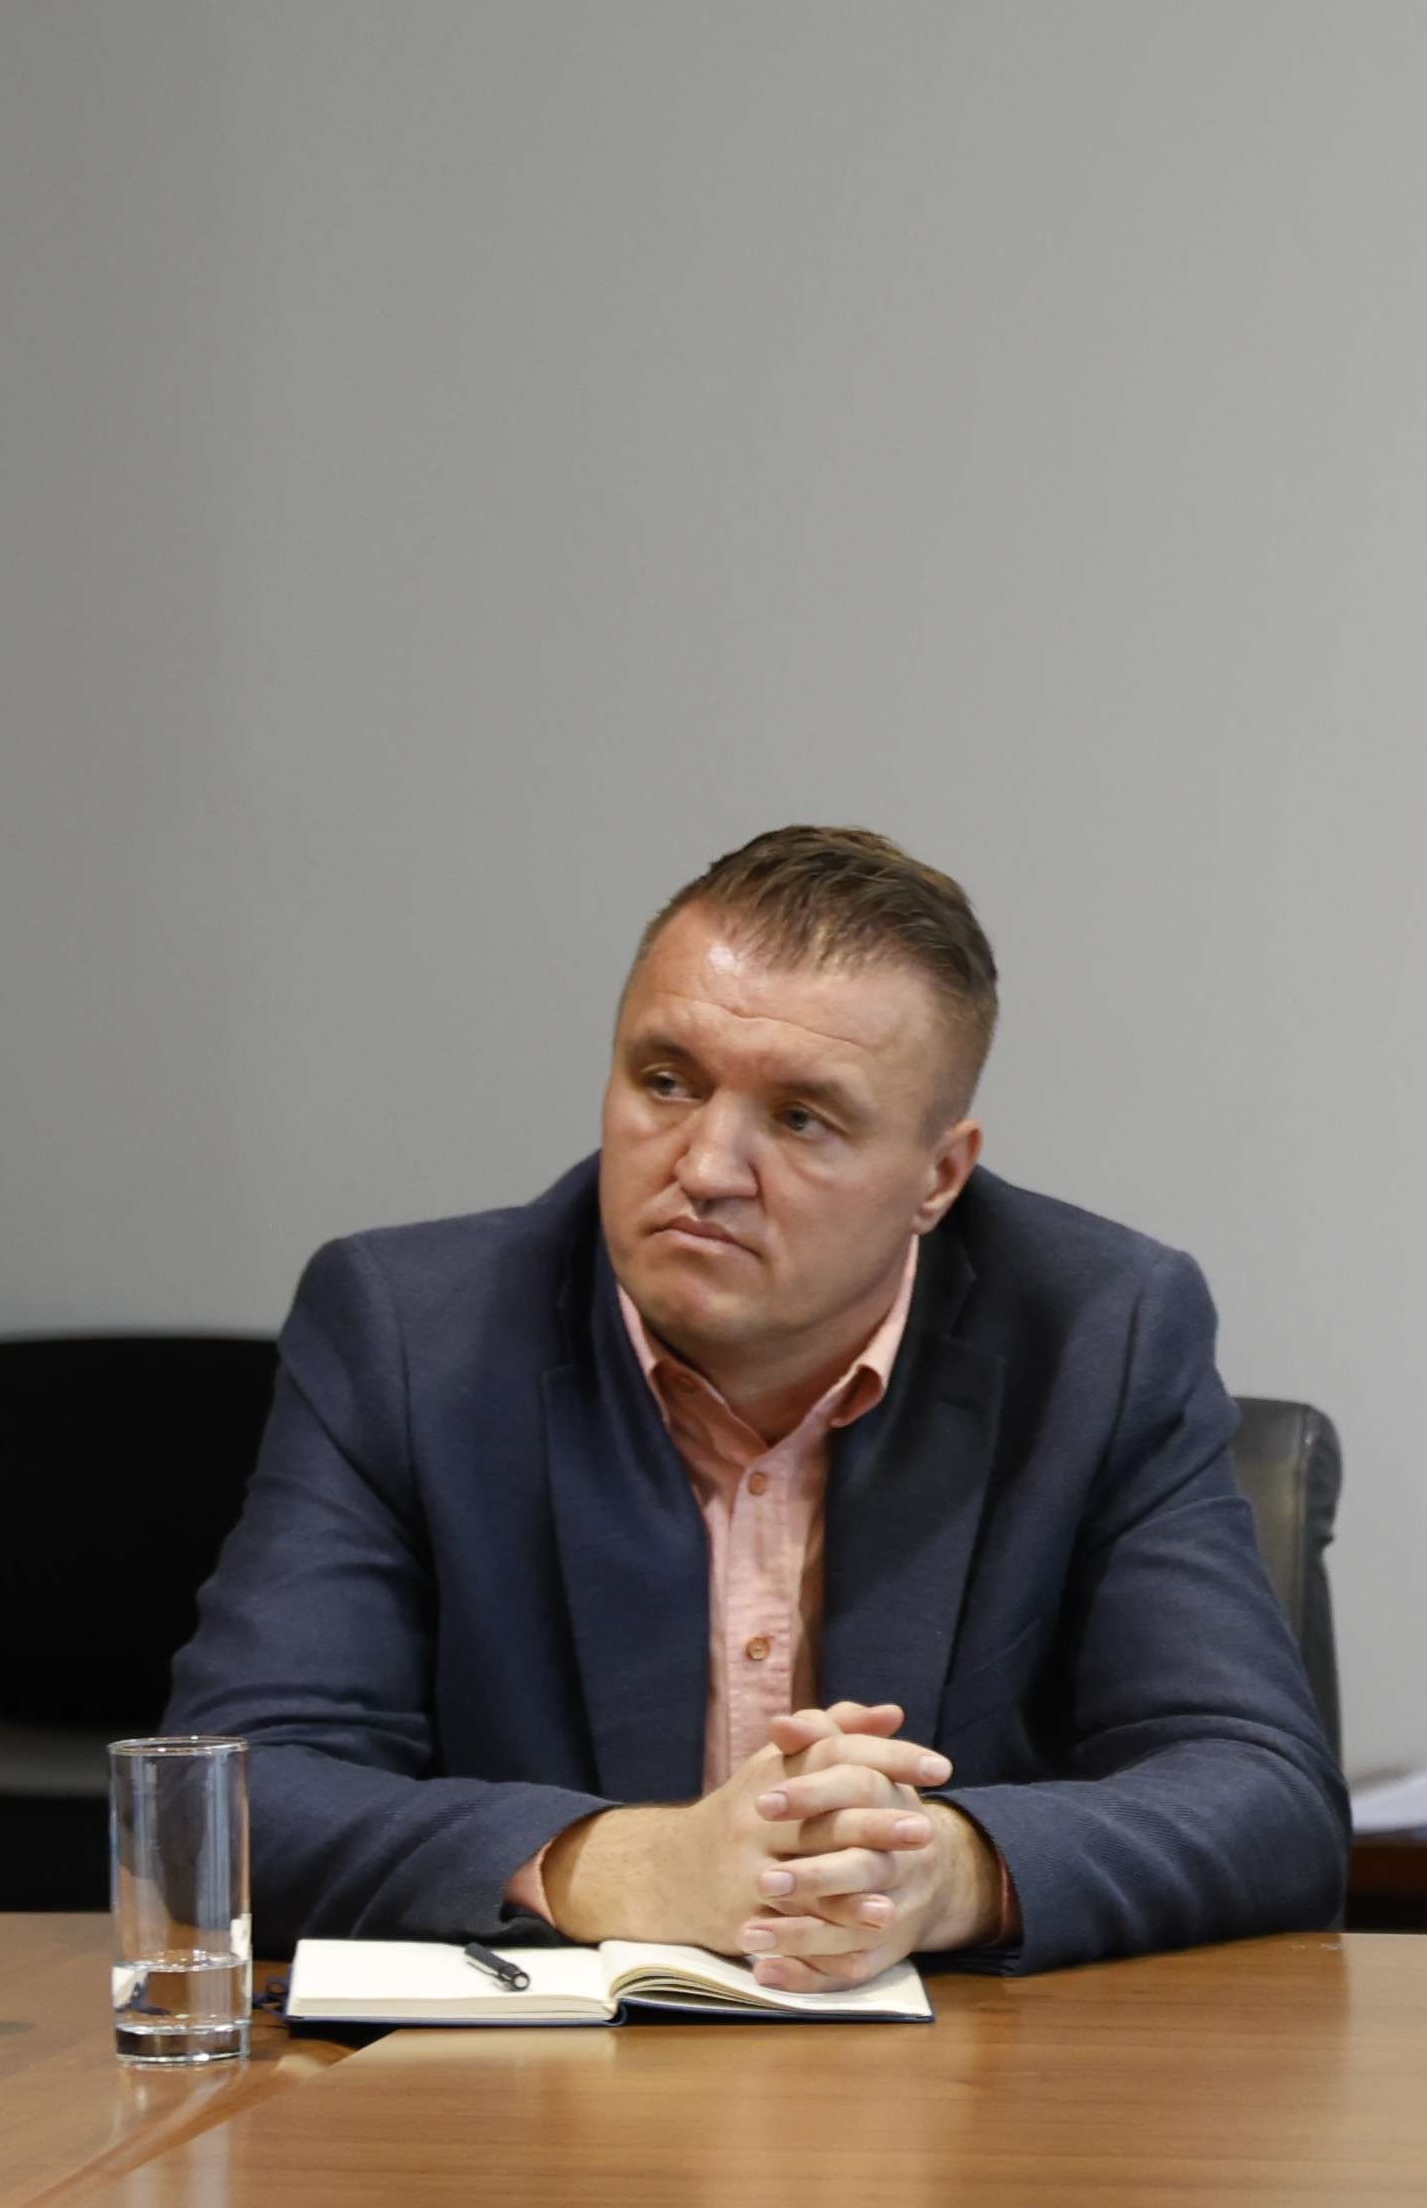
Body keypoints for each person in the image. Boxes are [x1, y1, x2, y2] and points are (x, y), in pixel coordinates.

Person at [167, 827, 1345, 1983]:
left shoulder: (1098, 1333)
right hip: (535, 2085)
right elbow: (226, 1801)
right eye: (665, 1081)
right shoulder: (411, 1333)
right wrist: (622, 1865)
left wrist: (948, 1872)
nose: (706, 1166)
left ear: (939, 1177)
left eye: (799, 1118)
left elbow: (1264, 1795)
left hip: (969, 2086)